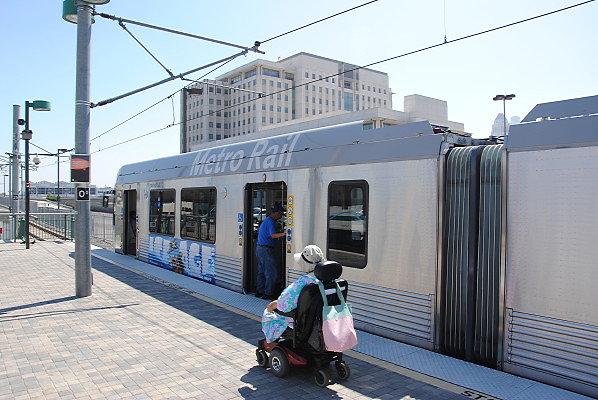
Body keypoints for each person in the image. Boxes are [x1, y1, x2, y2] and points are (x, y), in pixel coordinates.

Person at [261, 245, 326, 343]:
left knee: (269, 312)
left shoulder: (303, 283)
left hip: (303, 327)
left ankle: (271, 340)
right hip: (324, 323)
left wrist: (270, 306)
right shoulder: (334, 282)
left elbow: (283, 306)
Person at [255, 203, 286, 300]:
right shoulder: (270, 221)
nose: (281, 216)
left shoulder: (266, 220)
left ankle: (259, 291)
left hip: (260, 248)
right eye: (281, 214)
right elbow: (273, 235)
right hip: (266, 250)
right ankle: (268, 293)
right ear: (276, 213)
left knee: (261, 271)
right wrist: (284, 234)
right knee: (271, 272)